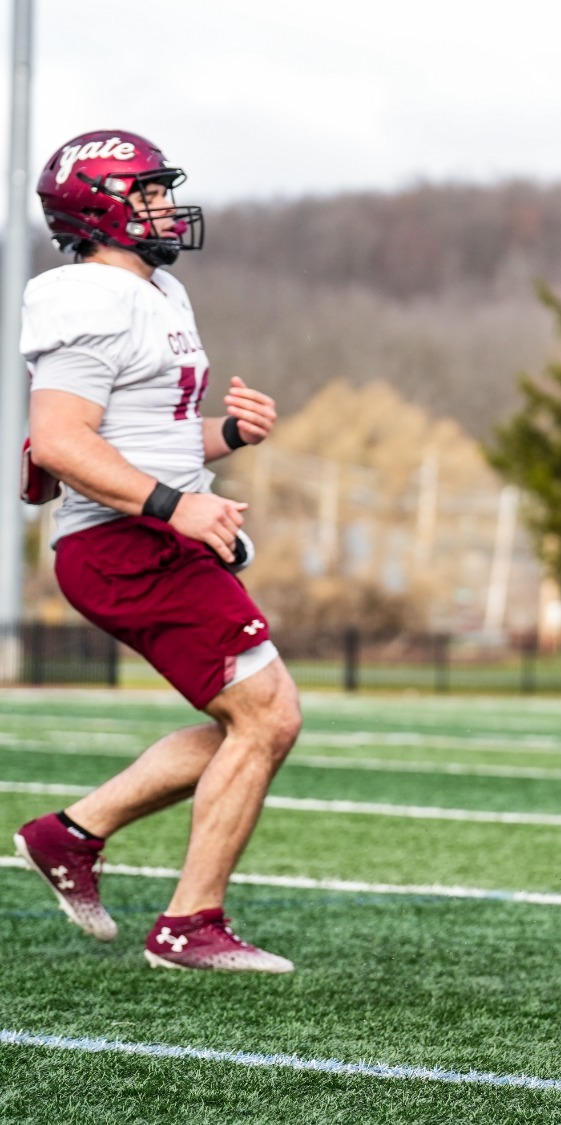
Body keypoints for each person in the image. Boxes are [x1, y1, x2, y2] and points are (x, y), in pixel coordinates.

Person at [11, 131, 300, 974]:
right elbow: (60, 441)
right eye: (147, 193)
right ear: (100, 208)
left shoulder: (157, 290)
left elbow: (155, 434)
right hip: (122, 540)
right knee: (268, 715)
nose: (166, 206)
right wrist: (177, 507)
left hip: (146, 530)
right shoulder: (87, 295)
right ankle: (187, 924)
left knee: (252, 724)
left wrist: (229, 435)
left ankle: (69, 834)